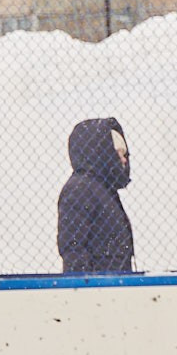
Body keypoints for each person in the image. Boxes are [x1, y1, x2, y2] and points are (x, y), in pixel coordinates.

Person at [58, 116, 135, 273]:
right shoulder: (80, 189)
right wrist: (84, 289)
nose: (123, 159)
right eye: (117, 152)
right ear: (102, 151)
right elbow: (73, 247)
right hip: (97, 290)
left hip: (112, 286)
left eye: (124, 153)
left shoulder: (104, 191)